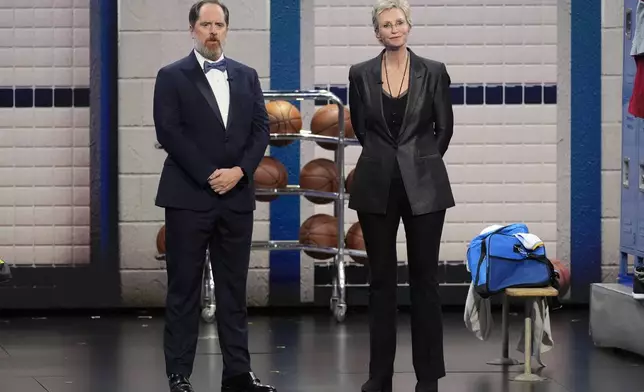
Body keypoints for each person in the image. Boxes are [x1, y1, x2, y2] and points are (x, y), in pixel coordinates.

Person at [152, 1, 275, 391]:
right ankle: (179, 375)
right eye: (205, 24)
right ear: (192, 29)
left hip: (236, 197)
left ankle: (238, 374)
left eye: (218, 24)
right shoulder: (171, 76)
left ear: (226, 29)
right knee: (184, 289)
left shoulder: (246, 75)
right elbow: (169, 131)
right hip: (189, 195)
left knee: (234, 289)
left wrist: (239, 172)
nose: (212, 31)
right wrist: (209, 176)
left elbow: (261, 130)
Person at [346, 0, 455, 391]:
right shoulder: (359, 74)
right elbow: (362, 128)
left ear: (408, 26)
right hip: (376, 185)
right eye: (385, 24)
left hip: (424, 186)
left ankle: (428, 378)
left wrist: (417, 164)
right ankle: (380, 376)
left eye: (399, 22)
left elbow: (444, 130)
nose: (393, 29)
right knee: (381, 283)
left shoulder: (434, 72)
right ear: (377, 32)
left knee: (425, 282)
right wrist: (387, 163)